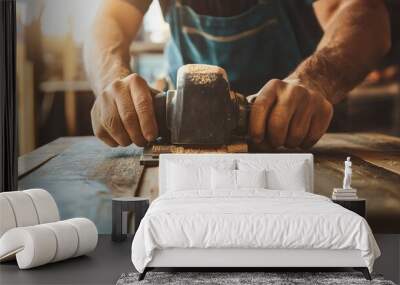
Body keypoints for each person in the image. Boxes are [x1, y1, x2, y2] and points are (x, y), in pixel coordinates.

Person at [84, 0, 391, 149]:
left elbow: (361, 14)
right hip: (187, 148)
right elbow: (111, 17)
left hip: (299, 139)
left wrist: (314, 81)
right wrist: (112, 78)